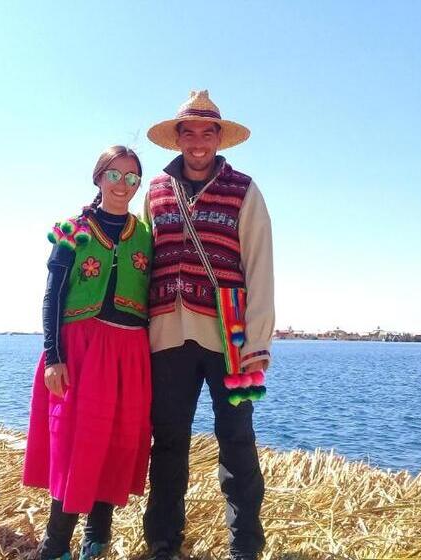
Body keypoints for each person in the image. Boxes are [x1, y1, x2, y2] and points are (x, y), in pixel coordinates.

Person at [142, 91, 275, 559]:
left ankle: (244, 545)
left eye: (207, 132)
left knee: (237, 441)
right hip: (166, 338)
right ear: (177, 138)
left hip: (233, 338)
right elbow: (146, 262)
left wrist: (258, 342)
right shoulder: (155, 190)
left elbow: (260, 268)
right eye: (189, 132)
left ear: (220, 138)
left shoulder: (245, 190)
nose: (198, 142)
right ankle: (162, 540)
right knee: (168, 442)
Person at [23, 146, 153, 560]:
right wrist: (53, 354)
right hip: (81, 351)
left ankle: (97, 537)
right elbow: (52, 297)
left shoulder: (146, 235)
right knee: (77, 443)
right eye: (115, 175)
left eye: (132, 178)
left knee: (117, 441)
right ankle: (56, 543)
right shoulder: (71, 229)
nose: (123, 185)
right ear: (98, 178)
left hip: (130, 351)